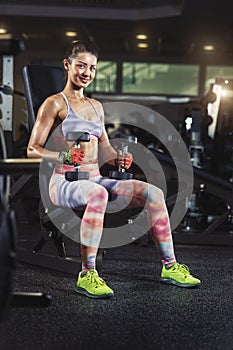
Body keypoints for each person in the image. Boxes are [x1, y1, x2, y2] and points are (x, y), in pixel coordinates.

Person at [27, 40, 201, 299]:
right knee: (98, 194)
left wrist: (119, 159)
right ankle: (87, 274)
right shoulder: (55, 104)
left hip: (94, 179)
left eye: (93, 68)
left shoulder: (97, 106)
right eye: (81, 66)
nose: (87, 73)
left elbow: (105, 149)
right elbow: (32, 149)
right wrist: (63, 155)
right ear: (67, 65)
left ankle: (170, 266)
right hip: (63, 182)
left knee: (153, 193)